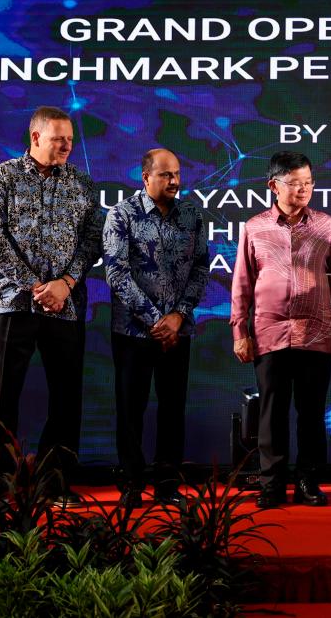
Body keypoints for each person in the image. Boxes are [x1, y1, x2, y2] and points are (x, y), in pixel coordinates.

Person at [0, 105, 103, 503]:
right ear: (35, 138)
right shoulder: (2, 177)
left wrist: (64, 284)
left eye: (70, 139)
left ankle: (55, 484)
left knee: (66, 397)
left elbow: (92, 241)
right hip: (13, 303)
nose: (66, 145)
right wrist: (36, 286)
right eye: (58, 138)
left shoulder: (82, 184)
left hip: (65, 307)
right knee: (1, 397)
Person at [230, 151, 331, 509]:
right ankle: (271, 485)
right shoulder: (255, 227)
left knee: (312, 413)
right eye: (295, 183)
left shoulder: (326, 225)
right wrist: (240, 331)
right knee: (272, 412)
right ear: (273, 186)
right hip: (270, 331)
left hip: (317, 332)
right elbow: (242, 283)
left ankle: (308, 482)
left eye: (308, 182)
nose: (303, 189)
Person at [103, 148, 209, 508]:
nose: (175, 181)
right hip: (133, 333)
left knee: (172, 408)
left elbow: (200, 269)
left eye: (177, 174)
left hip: (178, 332)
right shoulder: (122, 215)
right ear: (145, 177)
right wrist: (154, 320)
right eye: (166, 175)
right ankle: (132, 483)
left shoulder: (192, 215)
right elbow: (116, 273)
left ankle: (167, 483)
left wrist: (178, 316)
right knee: (130, 409)